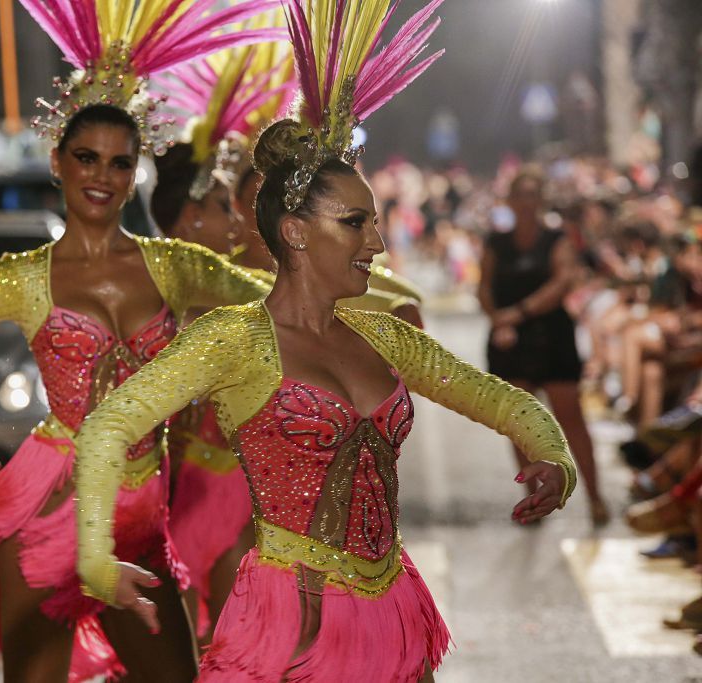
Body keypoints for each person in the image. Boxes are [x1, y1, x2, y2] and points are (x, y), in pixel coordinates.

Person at [73, 1, 575, 680]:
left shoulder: (383, 334)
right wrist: (96, 556)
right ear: (296, 231)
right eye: (356, 222)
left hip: (395, 605)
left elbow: (508, 404)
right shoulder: (237, 338)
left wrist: (554, 458)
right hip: (290, 620)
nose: (376, 240)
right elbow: (107, 426)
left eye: (374, 221)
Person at [0, 1, 279, 679]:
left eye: (119, 163)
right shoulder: (26, 278)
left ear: (135, 171)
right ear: (57, 161)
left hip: (143, 513)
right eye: (86, 157)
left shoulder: (173, 265)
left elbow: (280, 307)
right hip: (50, 507)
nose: (101, 176)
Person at [151, 36, 426, 641]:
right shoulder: (205, 291)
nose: (241, 221)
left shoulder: (357, 303)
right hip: (211, 485)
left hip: (303, 513)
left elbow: (412, 337)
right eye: (236, 205)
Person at [479, 169, 609, 525]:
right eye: (520, 195)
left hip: (551, 336)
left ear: (541, 200)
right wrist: (497, 319)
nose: (526, 202)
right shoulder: (496, 242)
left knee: (571, 417)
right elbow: (484, 286)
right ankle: (532, 499)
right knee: (520, 425)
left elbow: (563, 281)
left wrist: (516, 314)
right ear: (510, 200)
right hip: (511, 340)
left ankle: (595, 496)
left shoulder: (557, 239)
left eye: (532, 194)